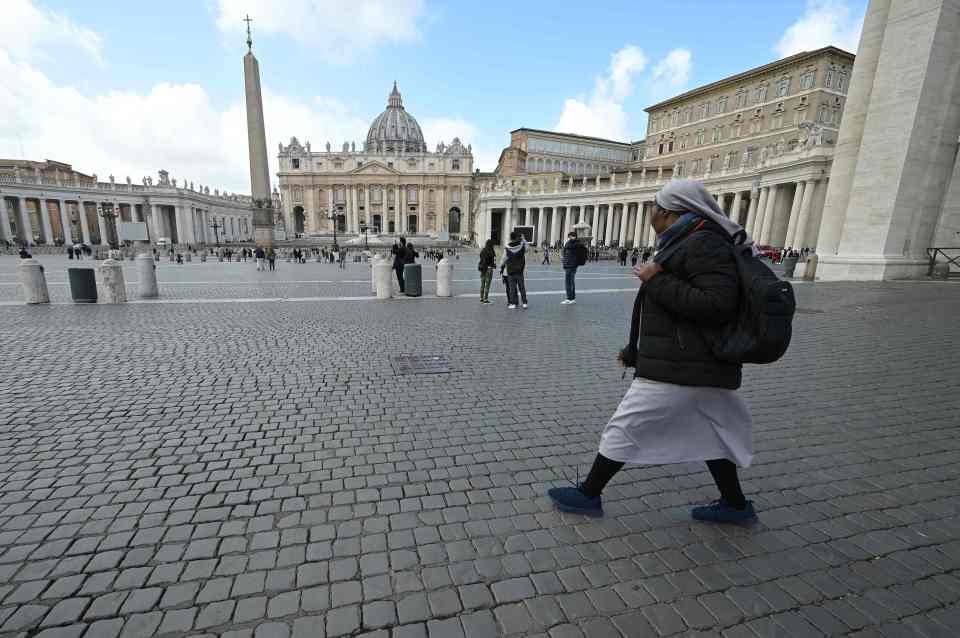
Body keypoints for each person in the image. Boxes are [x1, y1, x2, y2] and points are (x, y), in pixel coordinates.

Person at [547, 179, 758, 524]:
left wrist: (656, 279)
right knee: (713, 432)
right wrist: (636, 350)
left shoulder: (704, 243)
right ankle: (735, 505)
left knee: (625, 425)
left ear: (670, 212)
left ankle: (589, 494)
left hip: (683, 364)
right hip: (692, 362)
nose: (650, 214)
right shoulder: (691, 239)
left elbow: (718, 305)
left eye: (654, 207)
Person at [500, 231, 528, 309]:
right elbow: (527, 246)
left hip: (511, 271)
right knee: (522, 287)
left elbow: (503, 259)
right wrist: (523, 239)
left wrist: (501, 266)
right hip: (519, 270)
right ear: (516, 237)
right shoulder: (522, 246)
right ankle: (524, 302)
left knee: (512, 288)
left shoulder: (507, 248)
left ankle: (513, 303)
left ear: (510, 238)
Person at [561, 232, 579, 305]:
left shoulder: (575, 244)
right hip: (568, 264)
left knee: (570, 282)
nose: (569, 238)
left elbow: (569, 251)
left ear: (574, 237)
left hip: (572, 264)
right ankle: (571, 298)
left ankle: (570, 298)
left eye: (570, 237)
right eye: (569, 237)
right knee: (569, 282)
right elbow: (565, 252)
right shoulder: (569, 243)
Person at [478, 239, 496, 304]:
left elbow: (480, 257)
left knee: (482, 284)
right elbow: (494, 260)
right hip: (489, 269)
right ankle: (486, 299)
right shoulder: (491, 251)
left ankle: (481, 298)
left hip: (482, 269)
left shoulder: (483, 250)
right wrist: (493, 265)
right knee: (487, 285)